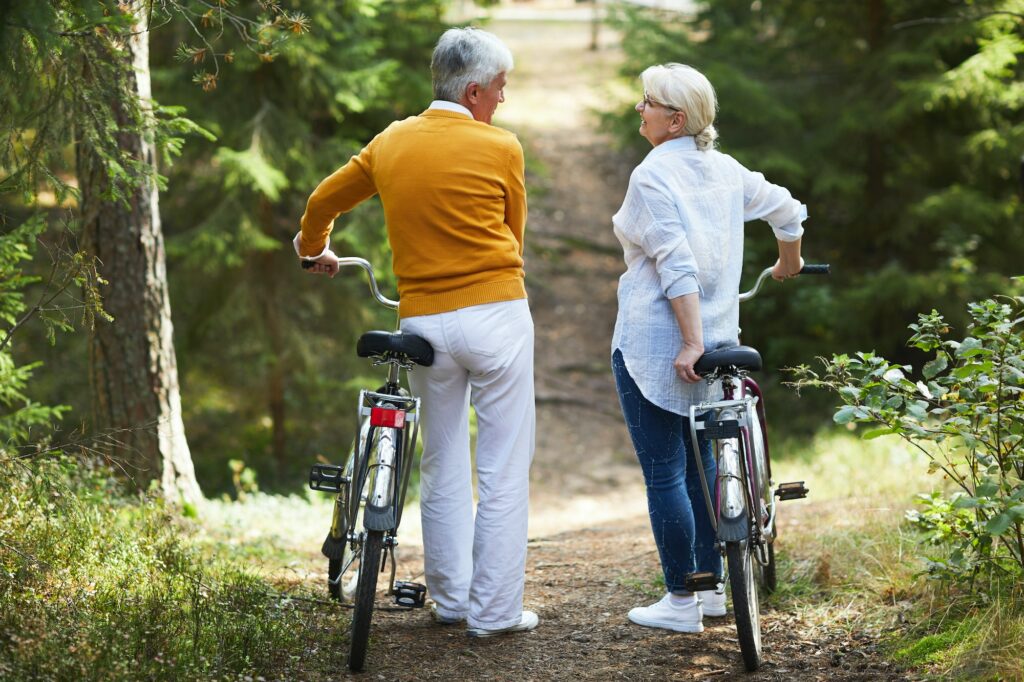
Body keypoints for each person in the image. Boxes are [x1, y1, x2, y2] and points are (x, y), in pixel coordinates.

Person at [294, 28, 537, 638]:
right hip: (496, 315)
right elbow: (514, 234)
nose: (503, 101)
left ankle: (452, 601)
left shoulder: (390, 142)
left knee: (443, 458)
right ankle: (494, 614)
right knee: (503, 469)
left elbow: (324, 199)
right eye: (500, 89)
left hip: (423, 320)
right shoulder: (502, 147)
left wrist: (313, 247)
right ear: (475, 89)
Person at [611, 63, 806, 633]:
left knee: (667, 474)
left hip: (657, 346)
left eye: (647, 102)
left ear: (675, 119)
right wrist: (788, 260)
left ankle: (679, 601)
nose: (639, 110)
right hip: (722, 342)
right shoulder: (725, 170)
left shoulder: (651, 176)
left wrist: (689, 341)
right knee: (703, 470)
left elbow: (675, 263)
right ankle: (715, 588)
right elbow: (788, 210)